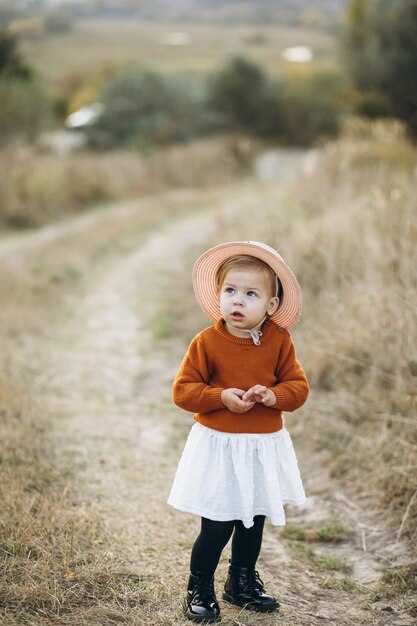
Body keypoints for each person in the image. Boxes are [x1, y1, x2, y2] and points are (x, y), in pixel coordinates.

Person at [167, 241, 309, 623]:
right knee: (217, 522)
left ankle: (241, 582)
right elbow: (183, 391)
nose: (238, 301)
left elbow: (298, 390)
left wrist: (272, 394)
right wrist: (219, 397)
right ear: (219, 295)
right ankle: (200, 586)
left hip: (261, 446)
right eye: (230, 291)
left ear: (271, 305)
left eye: (251, 294)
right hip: (220, 446)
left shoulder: (280, 342)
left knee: (252, 520)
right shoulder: (208, 342)